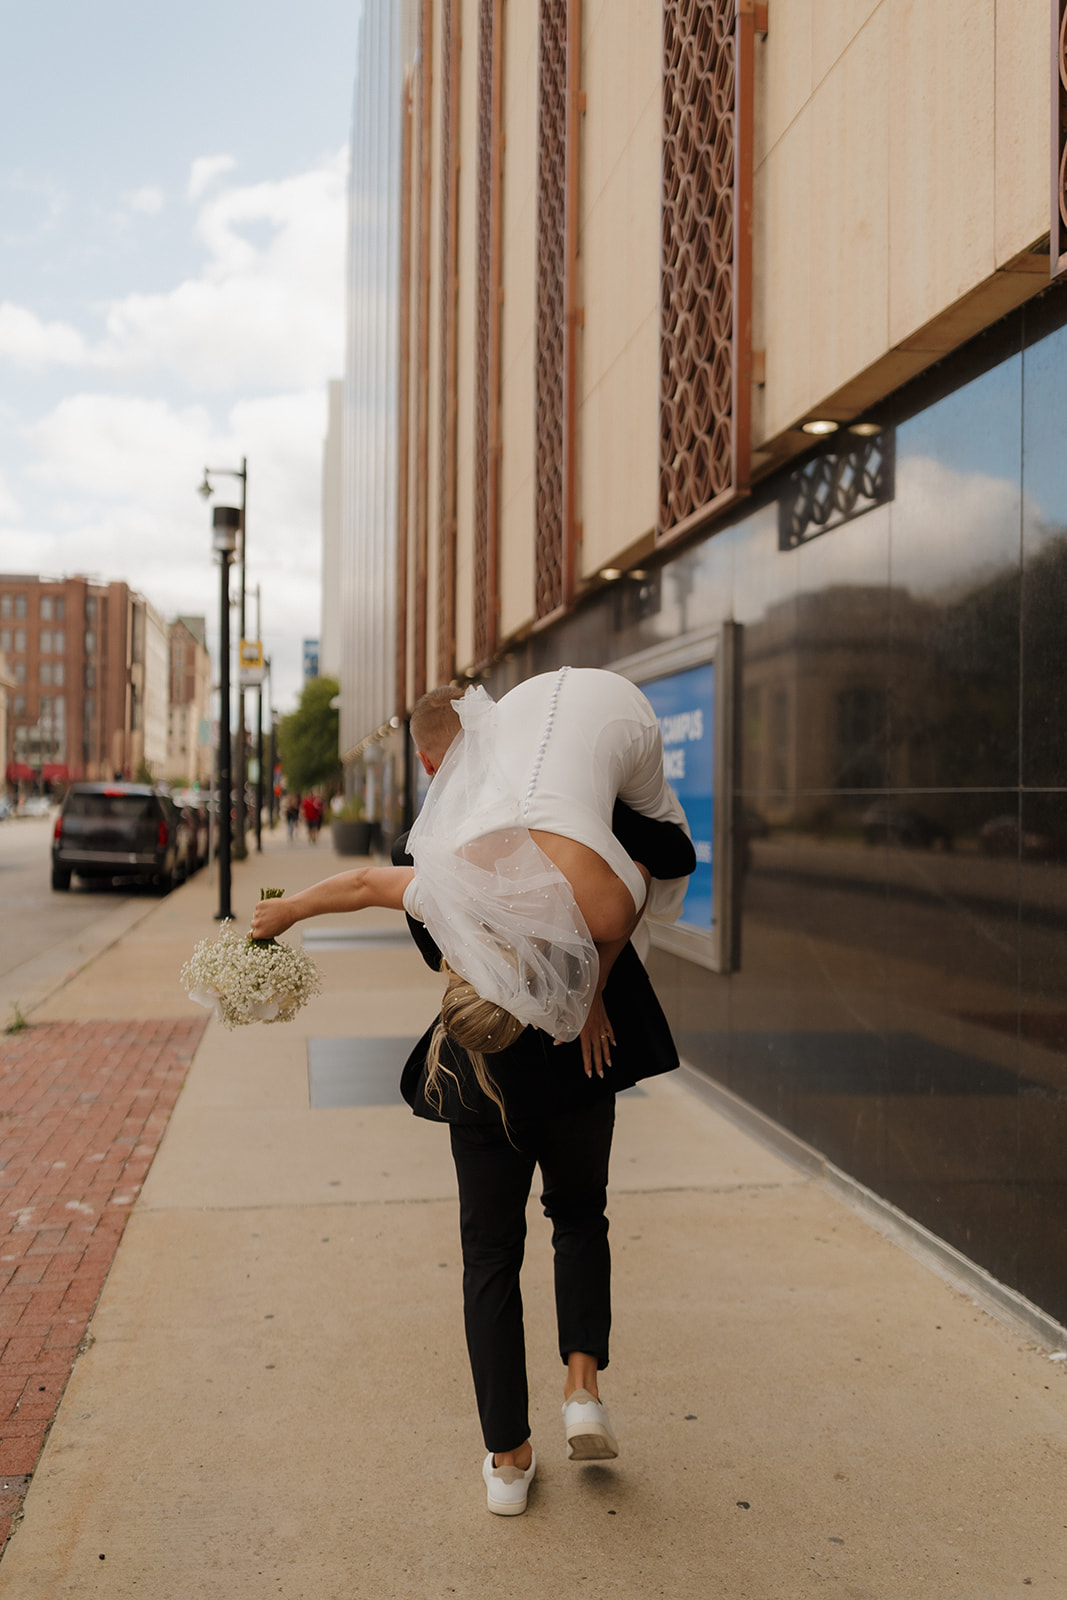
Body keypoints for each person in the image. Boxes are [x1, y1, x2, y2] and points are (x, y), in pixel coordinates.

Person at [251, 670, 695, 1513]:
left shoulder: (438, 871)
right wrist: (591, 994)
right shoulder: (541, 852)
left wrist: (287, 913)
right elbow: (654, 866)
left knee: (489, 1255)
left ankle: (507, 1459)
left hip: (485, 1080)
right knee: (578, 1215)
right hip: (581, 1057)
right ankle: (581, 1386)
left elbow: (358, 890)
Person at [251, 667, 691, 1074]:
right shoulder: (448, 883)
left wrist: (594, 986)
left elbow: (648, 872)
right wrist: (288, 910)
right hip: (525, 705)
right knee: (660, 846)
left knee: (673, 839)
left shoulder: (601, 911)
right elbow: (364, 884)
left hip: (619, 712)